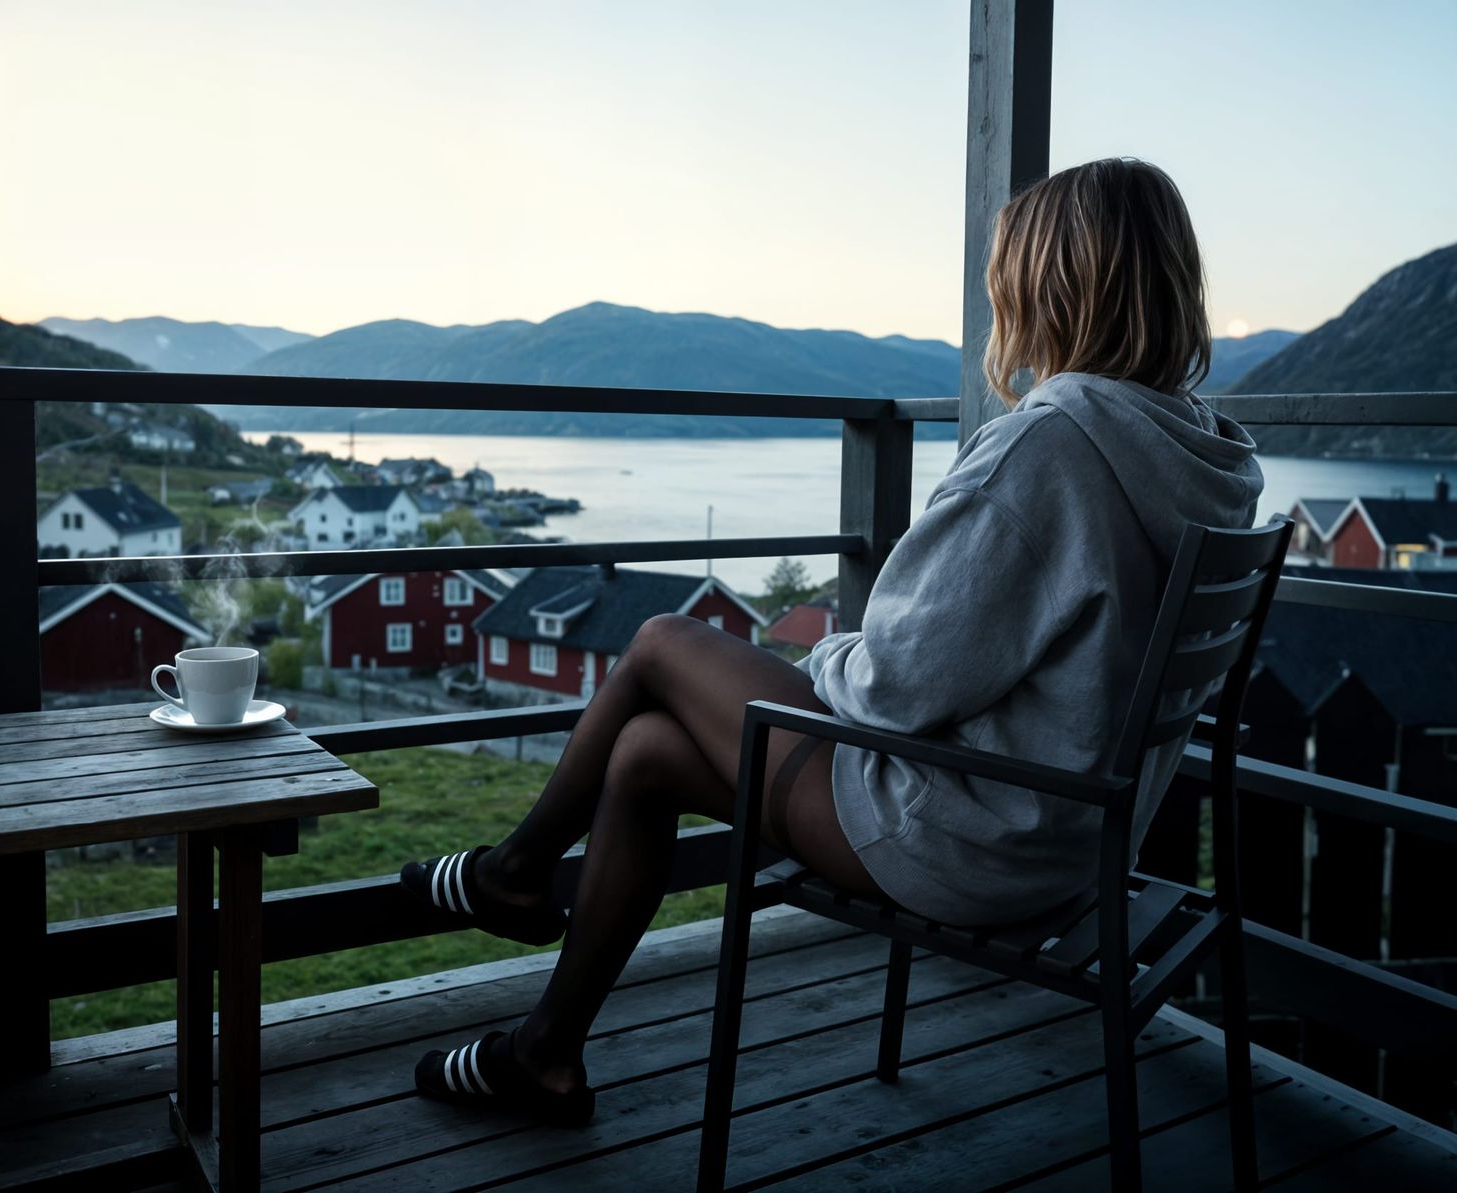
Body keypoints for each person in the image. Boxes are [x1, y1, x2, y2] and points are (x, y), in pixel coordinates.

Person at [399, 157, 1264, 1123]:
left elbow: (893, 682)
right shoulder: (1208, 455)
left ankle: (514, 876)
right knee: (644, 753)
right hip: (1072, 839)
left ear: (1049, 286)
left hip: (965, 842)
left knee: (658, 639)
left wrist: (821, 659)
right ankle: (544, 1052)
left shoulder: (1049, 448)